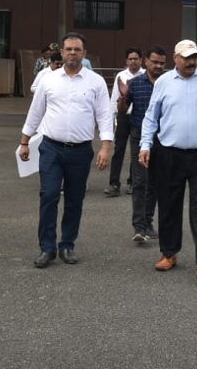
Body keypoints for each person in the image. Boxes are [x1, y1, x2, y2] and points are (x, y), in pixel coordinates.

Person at [139, 39, 197, 283]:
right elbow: (151, 117)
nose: (191, 62)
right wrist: (145, 145)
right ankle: (169, 253)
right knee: (169, 205)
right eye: (187, 57)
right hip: (169, 154)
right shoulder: (164, 82)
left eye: (195, 57)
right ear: (176, 59)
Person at [20, 33, 114, 268]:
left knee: (74, 200)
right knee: (49, 195)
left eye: (77, 49)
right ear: (61, 52)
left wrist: (105, 146)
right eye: (68, 49)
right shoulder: (48, 80)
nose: (72, 53)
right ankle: (47, 248)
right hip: (51, 149)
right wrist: (24, 142)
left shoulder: (95, 82)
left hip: (80, 152)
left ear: (84, 53)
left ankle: (68, 245)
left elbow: (104, 115)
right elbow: (35, 112)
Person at [116, 45, 167, 243]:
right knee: (140, 181)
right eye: (154, 62)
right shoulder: (135, 83)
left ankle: (148, 222)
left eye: (162, 63)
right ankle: (138, 226)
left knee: (155, 182)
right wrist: (122, 96)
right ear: (146, 61)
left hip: (163, 137)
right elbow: (122, 111)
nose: (158, 66)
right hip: (139, 135)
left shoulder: (168, 83)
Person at [105, 47, 145, 196]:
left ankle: (132, 182)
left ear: (141, 60)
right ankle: (114, 183)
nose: (133, 61)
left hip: (138, 117)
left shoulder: (145, 76)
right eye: (130, 59)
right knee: (119, 150)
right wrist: (111, 118)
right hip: (123, 116)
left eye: (136, 58)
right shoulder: (121, 76)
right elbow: (114, 98)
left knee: (136, 152)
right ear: (126, 61)